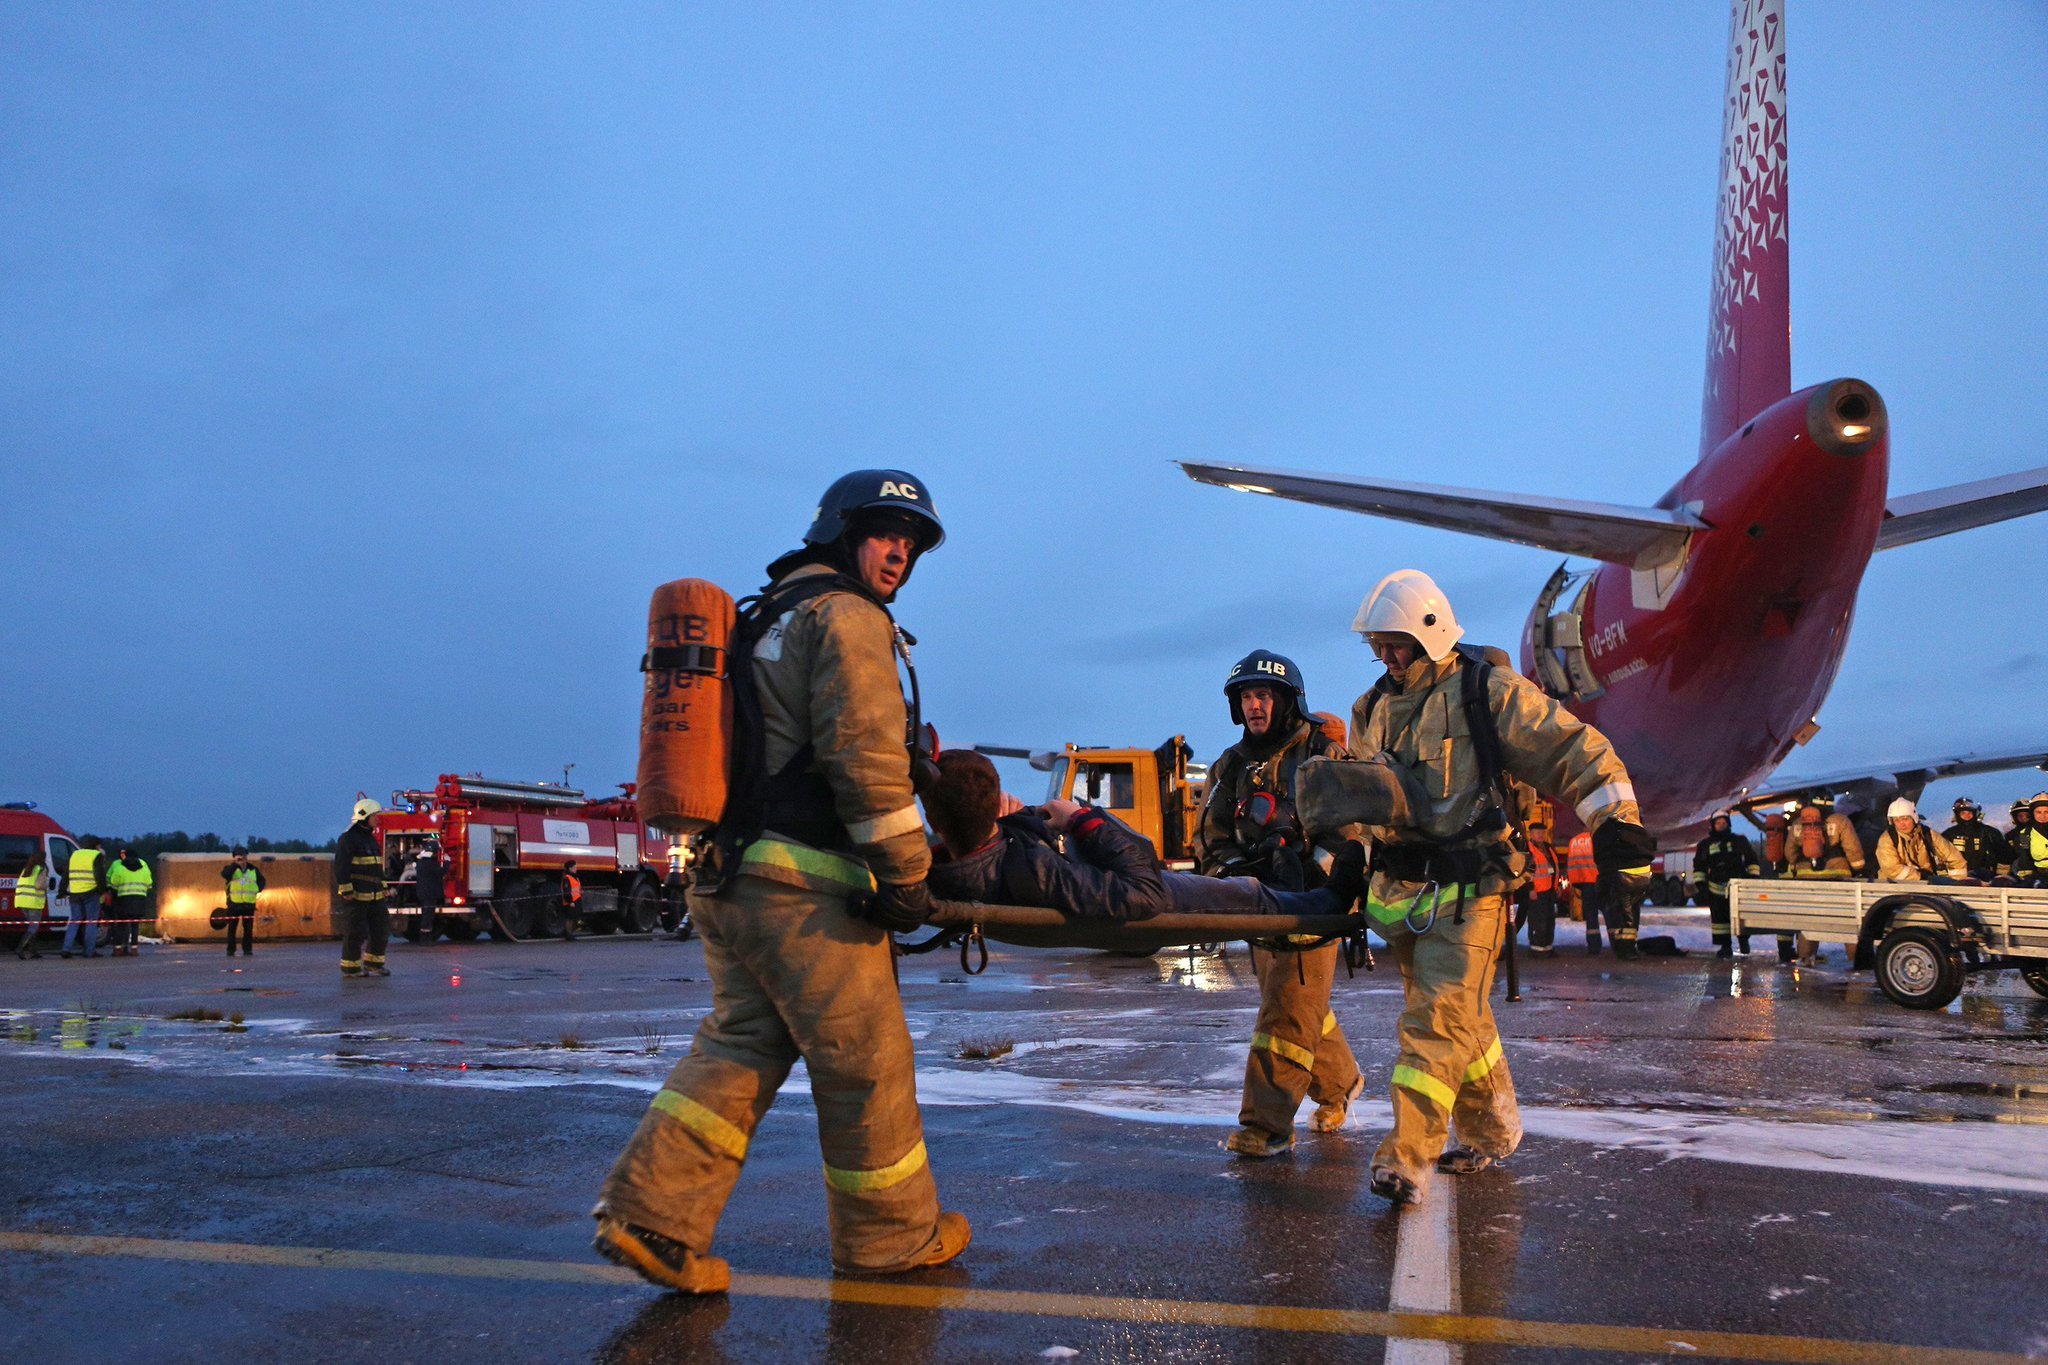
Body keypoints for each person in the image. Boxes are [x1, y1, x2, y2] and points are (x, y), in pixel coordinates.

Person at [595, 469, 967, 1295]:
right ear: (841, 532)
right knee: (866, 1062)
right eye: (883, 532)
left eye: (911, 542)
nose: (899, 551)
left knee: (742, 1043)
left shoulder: (764, 616)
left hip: (728, 876)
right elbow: (865, 758)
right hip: (804, 887)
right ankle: (893, 1239)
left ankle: (650, 1213)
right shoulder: (848, 618)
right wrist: (909, 875)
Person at [1339, 570, 1653, 1207]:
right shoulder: (1370, 709)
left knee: (1435, 1022)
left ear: (1430, 632)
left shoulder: (1487, 693)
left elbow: (1574, 751)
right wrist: (1351, 863)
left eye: (1395, 642)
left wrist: (1617, 822)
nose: (1385, 656)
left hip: (1472, 889)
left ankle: (1407, 1157)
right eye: (1377, 644)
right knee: (1464, 1021)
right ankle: (1494, 1131)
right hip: (1402, 897)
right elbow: (1366, 800)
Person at [1193, 649, 1364, 1159]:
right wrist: (1234, 872)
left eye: (1263, 694)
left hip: (1313, 904)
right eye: (1246, 697)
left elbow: (1354, 832)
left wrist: (1316, 871)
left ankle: (1266, 1126)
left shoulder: (1324, 755)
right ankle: (1340, 1085)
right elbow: (1210, 834)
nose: (1254, 706)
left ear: (1288, 699)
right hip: (1257, 902)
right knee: (1294, 1005)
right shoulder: (1232, 765)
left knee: (1285, 1015)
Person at [926, 750, 1365, 921]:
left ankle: (1291, 883)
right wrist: (1082, 818)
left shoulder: (958, 864)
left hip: (1083, 871)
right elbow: (1143, 890)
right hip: (1154, 891)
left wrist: (1007, 821)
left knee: (1250, 886)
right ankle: (1327, 902)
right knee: (1247, 893)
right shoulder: (1028, 869)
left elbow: (971, 834)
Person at [1690, 811, 1760, 958]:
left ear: (1728, 824)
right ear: (1713, 826)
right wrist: (1701, 884)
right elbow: (1699, 866)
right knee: (1720, 919)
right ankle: (1725, 946)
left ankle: (1743, 941)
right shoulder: (1705, 844)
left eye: (1724, 823)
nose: (1721, 826)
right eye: (1718, 823)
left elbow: (1751, 859)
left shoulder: (1739, 841)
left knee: (1741, 917)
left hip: (1737, 887)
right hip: (1715, 887)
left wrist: (1752, 877)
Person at [335, 799, 390, 977]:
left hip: (374, 893)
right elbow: (341, 866)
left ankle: (374, 964)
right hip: (357, 893)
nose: (378, 819)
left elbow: (376, 866)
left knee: (381, 928)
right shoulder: (348, 838)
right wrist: (347, 890)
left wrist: (383, 885)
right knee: (355, 931)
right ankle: (350, 967)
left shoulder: (370, 839)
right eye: (375, 816)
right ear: (364, 816)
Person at [1874, 799, 1968, 882]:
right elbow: (1892, 869)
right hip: (1894, 887)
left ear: (1914, 818)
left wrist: (1956, 884)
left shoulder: (1928, 834)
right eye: (1897, 820)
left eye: (1905, 819)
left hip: (1925, 886)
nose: (1902, 824)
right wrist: (1920, 877)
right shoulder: (1887, 840)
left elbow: (1955, 858)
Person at [1520, 802, 1560, 957]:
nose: (1541, 835)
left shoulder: (1548, 848)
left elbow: (1553, 869)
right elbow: (1526, 872)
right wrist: (1530, 889)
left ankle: (1547, 947)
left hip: (1549, 891)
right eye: (1537, 833)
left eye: (1543, 833)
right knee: (1538, 921)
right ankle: (1537, 949)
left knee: (1549, 921)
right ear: (1531, 834)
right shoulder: (1528, 849)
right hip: (1536, 892)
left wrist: (1556, 887)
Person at [61, 835, 108, 959]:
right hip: (91, 893)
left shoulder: (74, 855)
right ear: (96, 845)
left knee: (74, 921)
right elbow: (99, 875)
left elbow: (66, 874)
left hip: (75, 893)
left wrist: (62, 890)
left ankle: (66, 949)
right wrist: (102, 890)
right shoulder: (95, 856)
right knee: (91, 922)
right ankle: (89, 951)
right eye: (99, 846)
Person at [1942, 798, 2008, 883]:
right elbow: (1940, 857)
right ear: (1957, 815)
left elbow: (2004, 855)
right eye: (1963, 813)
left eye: (1970, 813)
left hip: (1986, 879)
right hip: (1957, 880)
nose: (1967, 816)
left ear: (1976, 813)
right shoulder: (1949, 834)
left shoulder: (1990, 833)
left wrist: (1999, 878)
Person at [105, 846, 154, 955]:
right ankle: (134, 949)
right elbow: (149, 883)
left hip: (124, 898)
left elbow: (113, 881)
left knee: (122, 924)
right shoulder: (144, 865)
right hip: (140, 898)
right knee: (135, 924)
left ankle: (118, 949)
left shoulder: (120, 867)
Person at [219, 847, 264, 957]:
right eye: (238, 856)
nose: (241, 858)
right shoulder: (230, 869)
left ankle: (247, 950)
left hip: (248, 905)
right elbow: (225, 874)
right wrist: (235, 865)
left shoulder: (253, 869)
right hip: (234, 904)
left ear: (246, 857)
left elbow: (262, 880)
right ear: (234, 857)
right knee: (232, 929)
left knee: (248, 930)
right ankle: (231, 950)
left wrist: (257, 888)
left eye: (243, 856)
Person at [1564, 828, 1600, 951]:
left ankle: (1593, 946)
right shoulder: (1597, 839)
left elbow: (1571, 863)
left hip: (1584, 883)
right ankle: (1616, 944)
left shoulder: (1574, 840)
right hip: (1599, 881)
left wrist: (1575, 882)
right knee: (1610, 913)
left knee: (1591, 915)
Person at [2006, 793, 2048, 886]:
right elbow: (2023, 855)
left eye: (2046, 812)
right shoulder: (2025, 834)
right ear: (2033, 813)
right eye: (2039, 812)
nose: (2043, 816)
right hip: (2037, 875)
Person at [13, 855, 48, 959]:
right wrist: (47, 886)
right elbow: (39, 885)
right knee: (34, 927)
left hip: (21, 901)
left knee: (32, 927)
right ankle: (20, 948)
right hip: (33, 902)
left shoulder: (26, 869)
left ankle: (33, 951)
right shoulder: (41, 869)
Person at [412, 841, 444, 941]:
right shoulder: (431, 864)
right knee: (428, 915)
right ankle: (425, 937)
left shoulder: (420, 863)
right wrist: (447, 862)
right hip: (431, 893)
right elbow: (441, 872)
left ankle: (424, 936)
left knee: (425, 914)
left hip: (422, 892)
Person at [559, 859, 583, 941]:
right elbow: (567, 891)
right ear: (570, 868)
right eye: (575, 867)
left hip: (576, 899)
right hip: (570, 901)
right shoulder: (567, 878)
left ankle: (570, 934)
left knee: (573, 918)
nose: (576, 868)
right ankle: (568, 934)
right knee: (569, 918)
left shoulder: (575, 877)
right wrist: (570, 901)